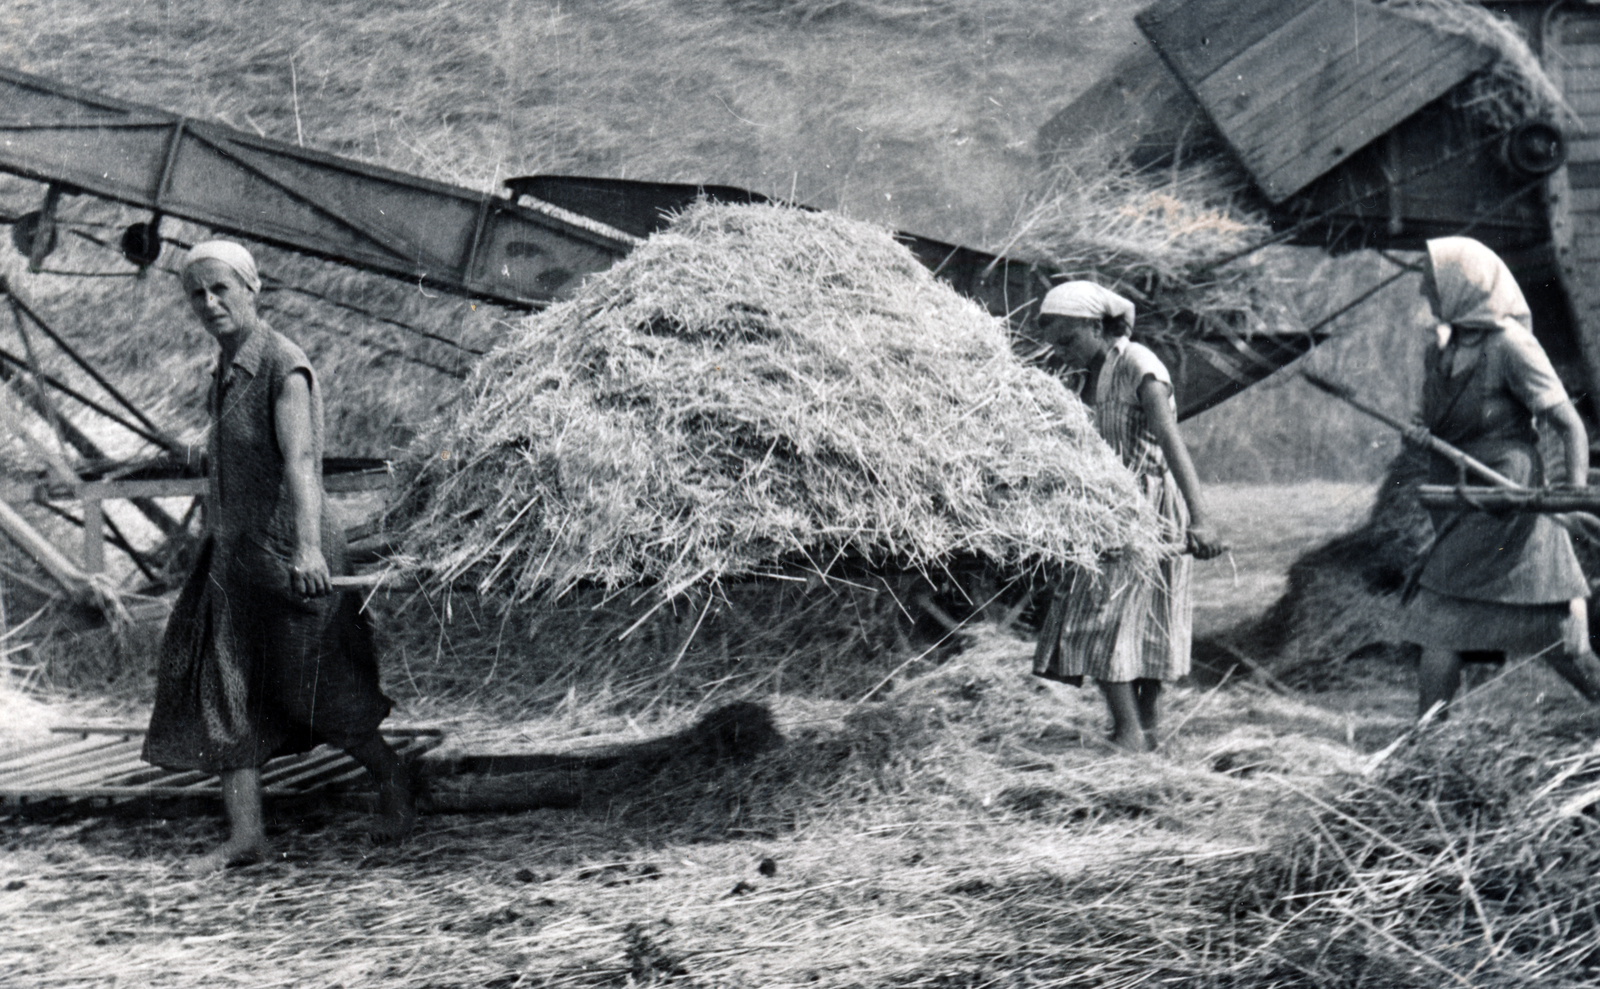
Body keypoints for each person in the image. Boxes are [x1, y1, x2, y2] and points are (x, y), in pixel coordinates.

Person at [142, 240, 414, 872]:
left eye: (221, 289)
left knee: (318, 693)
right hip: (237, 558)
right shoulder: (227, 365)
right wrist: (189, 447)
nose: (209, 303)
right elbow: (240, 450)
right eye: (197, 294)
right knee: (224, 688)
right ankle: (247, 837)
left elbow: (299, 463)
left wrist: (312, 548)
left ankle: (395, 783)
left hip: (294, 552)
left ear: (251, 289)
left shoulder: (283, 364)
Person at [1401, 235, 1600, 716]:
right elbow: (1438, 422)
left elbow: (1568, 425)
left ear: (1462, 284)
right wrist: (1420, 433)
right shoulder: (1441, 352)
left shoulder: (1511, 345)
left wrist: (1567, 499)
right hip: (1461, 497)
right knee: (1446, 620)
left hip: (1508, 500)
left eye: (1432, 277)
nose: (1425, 288)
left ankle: (1427, 735)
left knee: (1459, 618)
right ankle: (1428, 741)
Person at [1029, 281, 1224, 752]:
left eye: (1070, 341)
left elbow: (1171, 442)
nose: (1064, 353)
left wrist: (1201, 519)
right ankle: (1136, 732)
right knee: (1103, 617)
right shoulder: (1085, 377)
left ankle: (1137, 732)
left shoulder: (1140, 366)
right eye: (1057, 344)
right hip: (1111, 509)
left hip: (1154, 508)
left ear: (1097, 327)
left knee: (1141, 618)